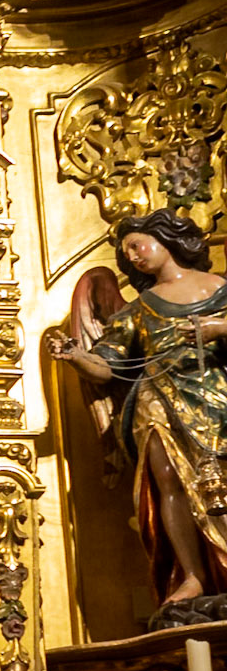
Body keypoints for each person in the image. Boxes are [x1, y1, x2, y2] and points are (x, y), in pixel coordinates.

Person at [53, 209, 227, 607]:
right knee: (168, 480)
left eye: (136, 245)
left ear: (166, 238)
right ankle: (194, 575)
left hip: (218, 394)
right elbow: (107, 367)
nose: (132, 256)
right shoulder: (139, 310)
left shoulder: (221, 289)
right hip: (159, 400)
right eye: (126, 252)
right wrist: (75, 356)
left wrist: (217, 329)